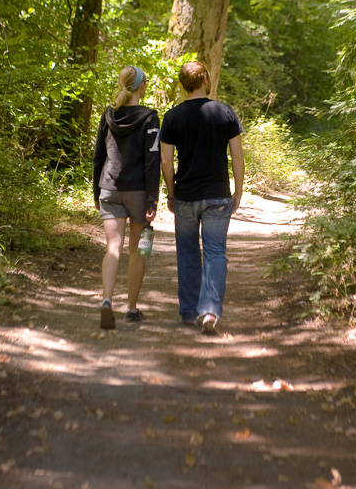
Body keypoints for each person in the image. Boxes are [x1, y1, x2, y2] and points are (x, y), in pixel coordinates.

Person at [159, 61, 244, 336]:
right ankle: (209, 311)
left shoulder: (173, 117)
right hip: (218, 195)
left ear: (183, 84)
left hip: (185, 195)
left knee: (187, 252)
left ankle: (187, 313)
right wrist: (238, 191)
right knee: (216, 252)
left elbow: (166, 161)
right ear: (205, 79)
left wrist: (171, 193)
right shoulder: (225, 112)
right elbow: (237, 156)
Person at [92, 65, 161, 329]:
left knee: (112, 248)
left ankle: (107, 301)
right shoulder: (150, 118)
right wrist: (152, 199)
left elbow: (99, 156)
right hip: (138, 192)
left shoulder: (107, 115)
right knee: (138, 251)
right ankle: (131, 308)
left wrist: (96, 191)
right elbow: (152, 161)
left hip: (109, 188)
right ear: (141, 87)